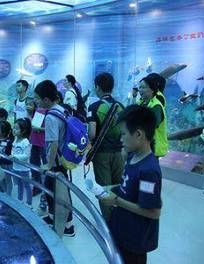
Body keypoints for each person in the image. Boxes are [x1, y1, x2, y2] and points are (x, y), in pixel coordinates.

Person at [99, 105, 162, 264]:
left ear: (139, 134)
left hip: (135, 239)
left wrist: (116, 201)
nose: (121, 139)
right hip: (123, 229)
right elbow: (128, 186)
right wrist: (112, 189)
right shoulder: (132, 156)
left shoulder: (148, 172)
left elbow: (153, 212)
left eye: (123, 135)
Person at [34, 80, 75, 237]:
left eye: (37, 98)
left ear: (45, 99)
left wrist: (49, 165)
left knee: (59, 192)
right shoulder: (61, 109)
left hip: (56, 161)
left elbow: (54, 143)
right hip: (65, 157)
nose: (36, 101)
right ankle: (52, 217)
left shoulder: (50, 117)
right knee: (54, 190)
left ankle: (68, 226)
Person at [87, 72, 125, 220]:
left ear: (97, 87)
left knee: (103, 189)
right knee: (118, 187)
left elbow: (91, 133)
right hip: (119, 153)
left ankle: (109, 224)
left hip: (102, 153)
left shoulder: (94, 106)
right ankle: (120, 218)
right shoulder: (120, 106)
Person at [138, 73, 168, 158]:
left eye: (143, 87)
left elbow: (153, 124)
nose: (140, 90)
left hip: (152, 147)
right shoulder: (144, 101)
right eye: (140, 87)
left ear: (152, 89)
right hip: (145, 146)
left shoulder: (156, 102)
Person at [11, 118, 32, 206]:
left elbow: (26, 155)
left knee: (27, 186)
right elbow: (13, 150)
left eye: (16, 128)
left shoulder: (25, 142)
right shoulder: (15, 139)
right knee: (19, 185)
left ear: (23, 131)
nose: (14, 130)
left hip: (24, 169)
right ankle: (19, 200)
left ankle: (29, 203)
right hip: (16, 167)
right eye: (13, 128)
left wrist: (15, 156)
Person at [0, 120, 14, 195]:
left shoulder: (10, 141)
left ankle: (8, 196)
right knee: (0, 178)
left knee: (8, 180)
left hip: (7, 164)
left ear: (4, 132)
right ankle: (4, 193)